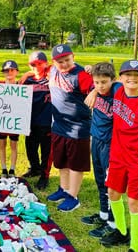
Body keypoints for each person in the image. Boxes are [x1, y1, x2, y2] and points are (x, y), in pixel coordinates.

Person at [99, 60, 138, 252]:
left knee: (134, 202)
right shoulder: (118, 91)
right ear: (120, 78)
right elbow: (99, 79)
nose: (132, 78)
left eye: (137, 75)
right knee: (113, 192)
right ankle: (121, 232)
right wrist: (91, 90)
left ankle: (135, 247)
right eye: (128, 75)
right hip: (117, 155)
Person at [46, 44, 94, 212]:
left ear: (73, 56)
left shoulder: (81, 74)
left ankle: (73, 196)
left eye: (67, 59)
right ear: (54, 62)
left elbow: (98, 89)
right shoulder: (53, 71)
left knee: (75, 164)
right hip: (59, 124)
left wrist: (93, 82)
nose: (64, 64)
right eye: (60, 61)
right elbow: (40, 72)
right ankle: (64, 188)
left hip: (78, 126)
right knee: (61, 161)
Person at [81, 62, 120, 238]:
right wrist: (95, 88)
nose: (100, 86)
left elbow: (136, 92)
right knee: (99, 179)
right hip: (95, 138)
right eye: (97, 82)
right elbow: (81, 69)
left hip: (110, 143)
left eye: (104, 82)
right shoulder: (94, 85)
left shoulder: (119, 89)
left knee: (110, 182)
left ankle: (113, 223)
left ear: (113, 79)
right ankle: (104, 215)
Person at [20, 51, 52, 190]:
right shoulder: (27, 80)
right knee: (30, 148)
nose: (36, 66)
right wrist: (26, 74)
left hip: (47, 122)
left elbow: (63, 67)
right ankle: (34, 168)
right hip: (30, 121)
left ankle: (44, 176)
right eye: (33, 64)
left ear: (46, 63)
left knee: (46, 151)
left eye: (40, 63)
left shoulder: (52, 78)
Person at [0, 60, 19, 178]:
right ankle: (3, 168)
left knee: (13, 145)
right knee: (2, 144)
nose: (9, 72)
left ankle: (12, 169)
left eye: (12, 70)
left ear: (17, 72)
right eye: (6, 71)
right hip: (1, 121)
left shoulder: (20, 87)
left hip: (14, 121)